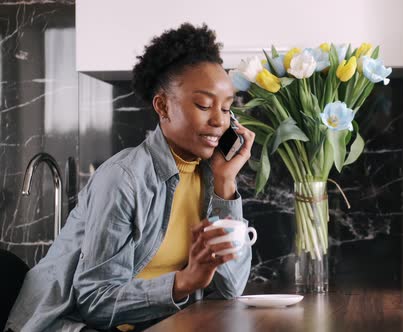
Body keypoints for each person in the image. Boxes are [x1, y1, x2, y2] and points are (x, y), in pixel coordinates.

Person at [5, 23, 255, 332]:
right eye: (204, 105)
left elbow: (233, 286)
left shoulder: (209, 174)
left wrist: (226, 183)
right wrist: (183, 282)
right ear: (163, 106)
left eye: (227, 108)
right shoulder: (123, 179)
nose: (219, 120)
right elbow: (95, 302)